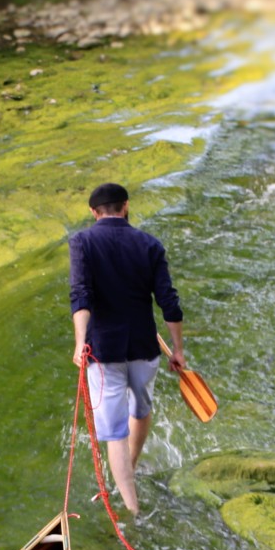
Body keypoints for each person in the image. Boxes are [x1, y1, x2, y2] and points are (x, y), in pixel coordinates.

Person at [69, 182, 185, 517]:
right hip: (144, 347)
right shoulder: (150, 244)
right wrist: (177, 349)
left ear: (94, 212)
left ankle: (132, 512)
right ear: (126, 206)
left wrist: (80, 342)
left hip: (103, 351)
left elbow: (81, 296)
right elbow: (169, 302)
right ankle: (129, 470)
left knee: (114, 431)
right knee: (141, 408)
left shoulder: (82, 242)